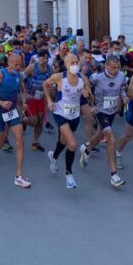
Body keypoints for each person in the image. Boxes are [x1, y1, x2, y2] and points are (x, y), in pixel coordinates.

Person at [44, 53, 93, 189]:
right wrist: (49, 100)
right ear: (65, 65)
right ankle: (69, 175)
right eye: (72, 63)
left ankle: (53, 158)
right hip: (60, 113)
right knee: (72, 144)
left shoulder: (83, 79)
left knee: (63, 141)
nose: (75, 65)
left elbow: (90, 95)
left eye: (76, 62)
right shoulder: (59, 77)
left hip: (74, 116)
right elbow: (45, 84)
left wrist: (87, 94)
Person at [0, 52, 32, 188]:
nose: (18, 67)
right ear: (8, 64)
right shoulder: (0, 75)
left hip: (12, 111)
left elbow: (22, 90)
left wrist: (23, 101)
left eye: (20, 65)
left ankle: (19, 176)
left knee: (20, 140)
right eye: (15, 64)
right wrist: (0, 102)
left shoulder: (19, 75)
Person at [79, 55, 127, 188]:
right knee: (111, 139)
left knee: (101, 134)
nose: (116, 70)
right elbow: (86, 89)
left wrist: (124, 97)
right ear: (106, 66)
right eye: (113, 68)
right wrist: (91, 104)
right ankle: (113, 174)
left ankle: (87, 149)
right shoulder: (96, 77)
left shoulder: (122, 75)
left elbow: (123, 87)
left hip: (112, 110)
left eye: (118, 67)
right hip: (100, 111)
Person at [23, 49, 52, 152]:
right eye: (42, 58)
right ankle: (24, 120)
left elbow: (51, 83)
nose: (44, 60)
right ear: (38, 58)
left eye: (46, 58)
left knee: (40, 122)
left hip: (41, 98)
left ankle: (35, 142)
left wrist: (50, 93)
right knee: (34, 121)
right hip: (30, 97)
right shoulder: (32, 67)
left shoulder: (49, 69)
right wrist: (25, 94)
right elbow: (21, 78)